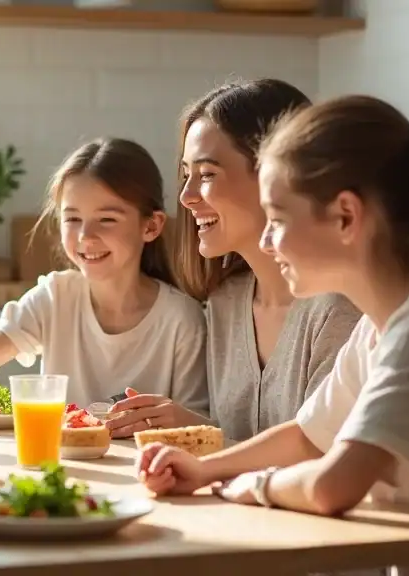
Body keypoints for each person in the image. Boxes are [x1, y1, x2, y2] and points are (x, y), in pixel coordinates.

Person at [138, 95, 409, 576]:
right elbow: (308, 437)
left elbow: (332, 486)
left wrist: (252, 485)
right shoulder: (380, 327)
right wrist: (204, 469)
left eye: (279, 220)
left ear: (346, 217)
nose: (267, 241)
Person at [106, 79, 361, 441]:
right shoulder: (224, 303)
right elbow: (241, 440)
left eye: (207, 174)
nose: (186, 196)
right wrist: (188, 427)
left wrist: (202, 438)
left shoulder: (341, 311)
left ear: (277, 175)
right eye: (187, 175)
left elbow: (325, 459)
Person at [0, 137, 207, 412]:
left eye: (107, 219)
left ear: (151, 226)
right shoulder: (54, 298)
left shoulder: (182, 320)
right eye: (72, 219)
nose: (85, 236)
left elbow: (197, 421)